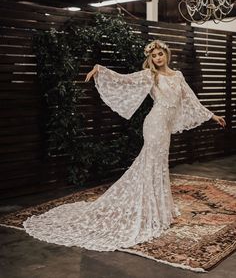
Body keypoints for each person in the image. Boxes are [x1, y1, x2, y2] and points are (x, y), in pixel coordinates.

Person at [23, 40, 226, 251]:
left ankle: (158, 209)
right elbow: (125, 81)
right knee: (152, 164)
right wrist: (100, 70)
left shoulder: (178, 76)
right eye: (154, 55)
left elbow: (191, 100)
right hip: (154, 124)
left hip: (164, 128)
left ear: (167, 54)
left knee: (159, 166)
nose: (157, 58)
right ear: (151, 58)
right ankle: (151, 211)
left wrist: (212, 115)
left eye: (160, 54)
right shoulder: (150, 75)